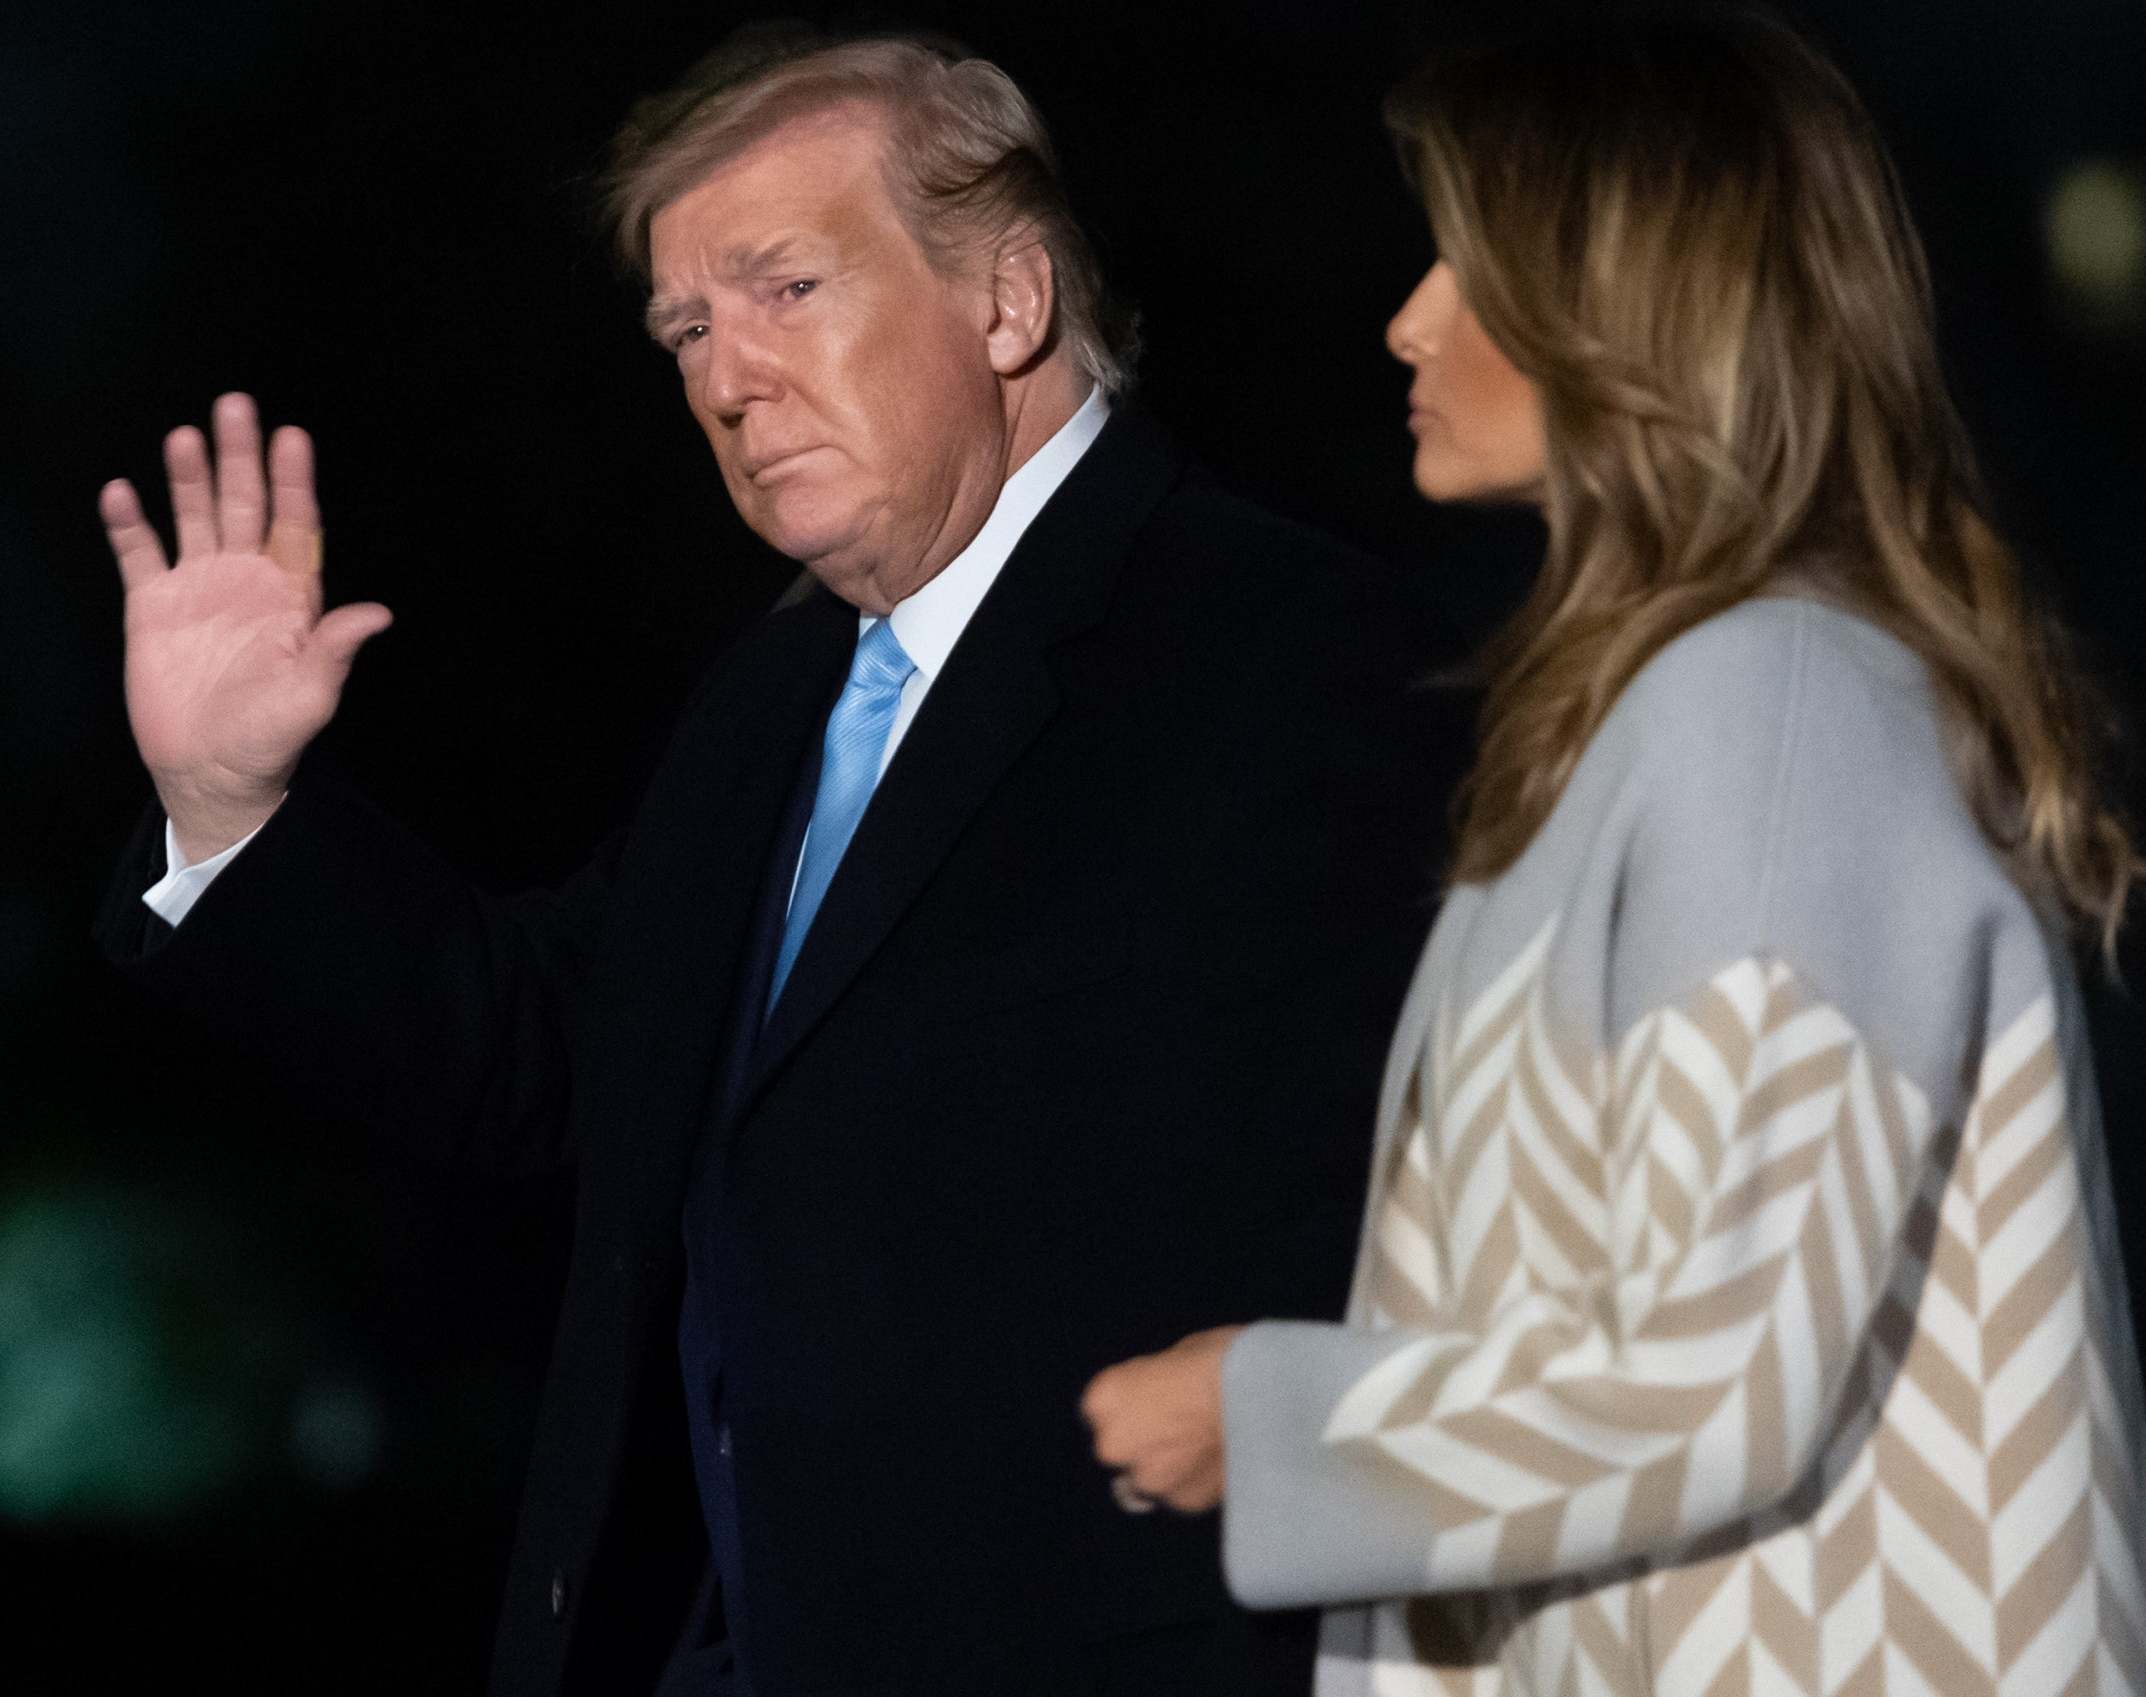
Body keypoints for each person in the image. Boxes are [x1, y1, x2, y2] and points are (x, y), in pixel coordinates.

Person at [93, 27, 1465, 1697]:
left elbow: (1428, 1215)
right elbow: (549, 1057)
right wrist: (234, 806)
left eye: (784, 290)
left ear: (1006, 301)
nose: (724, 378)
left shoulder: (1303, 654)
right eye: (685, 327)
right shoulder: (779, 691)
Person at [1081, 9, 2146, 1692]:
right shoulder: (1698, 707)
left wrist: (1264, 1414)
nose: (1404, 321)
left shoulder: (1768, 706)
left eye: (1466, 261)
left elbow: (1721, 1358)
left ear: (1617, 303)